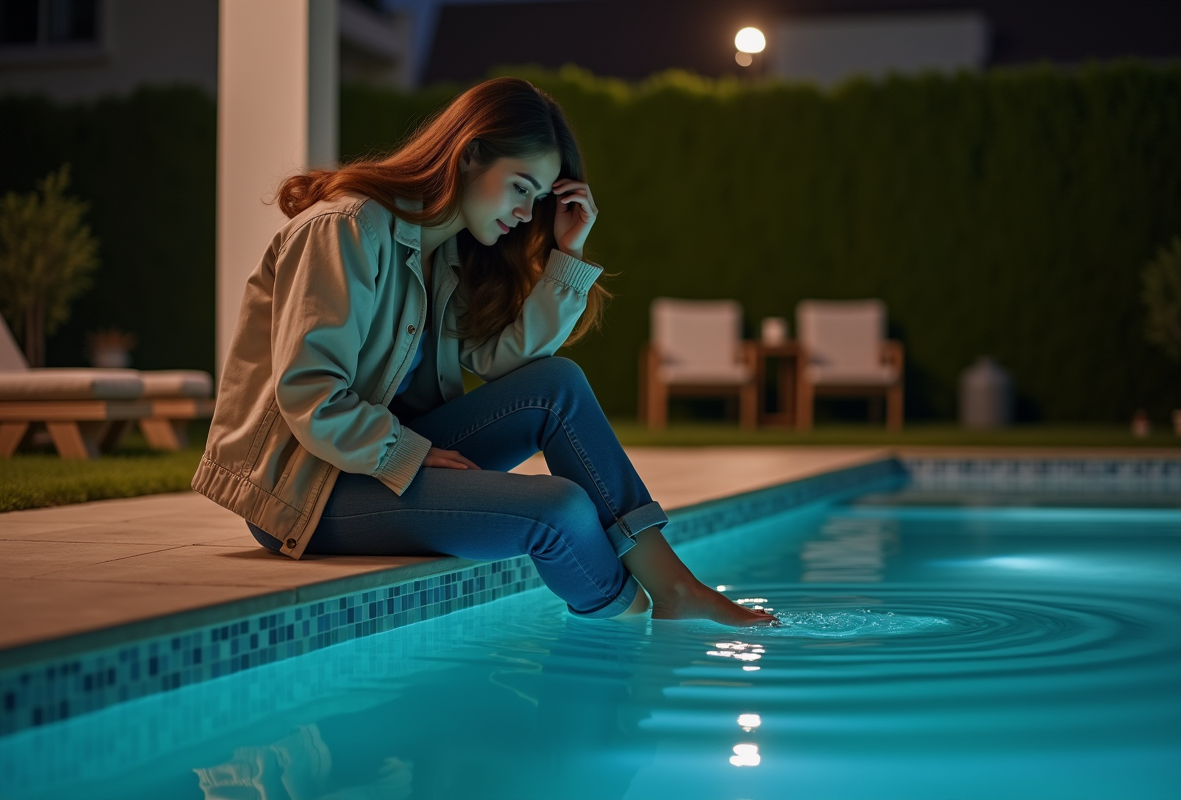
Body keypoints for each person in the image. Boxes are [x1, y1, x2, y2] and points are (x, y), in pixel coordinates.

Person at [192, 77, 775, 627]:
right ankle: (630, 641)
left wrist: (567, 256)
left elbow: (508, 367)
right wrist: (409, 453)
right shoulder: (346, 229)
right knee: (560, 511)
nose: (527, 214)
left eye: (539, 198)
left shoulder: (441, 255)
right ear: (469, 154)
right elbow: (311, 395)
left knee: (560, 384)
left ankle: (674, 589)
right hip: (308, 489)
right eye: (522, 187)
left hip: (384, 463)